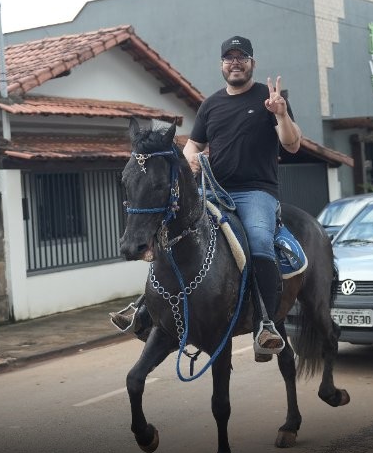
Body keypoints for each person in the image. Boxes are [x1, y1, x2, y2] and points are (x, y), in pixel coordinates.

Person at [111, 35, 304, 359]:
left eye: (241, 57)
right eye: (229, 58)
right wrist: (190, 162)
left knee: (259, 241)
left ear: (252, 63)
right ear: (222, 65)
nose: (235, 63)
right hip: (213, 189)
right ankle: (145, 308)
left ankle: (265, 324)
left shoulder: (269, 99)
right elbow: (193, 146)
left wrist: (282, 115)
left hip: (256, 192)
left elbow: (292, 145)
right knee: (173, 229)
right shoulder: (210, 105)